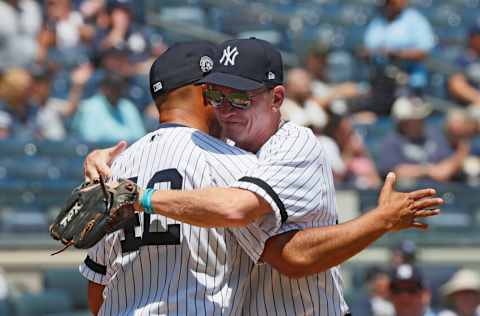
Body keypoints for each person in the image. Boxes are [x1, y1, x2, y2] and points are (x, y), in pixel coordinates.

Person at [85, 38, 442, 315]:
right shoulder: (217, 152)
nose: (225, 109)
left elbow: (290, 255)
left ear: (276, 98)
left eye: (240, 98)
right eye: (218, 96)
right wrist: (102, 167)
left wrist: (136, 196)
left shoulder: (294, 144)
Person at [357, 0, 435, 115]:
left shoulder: (414, 19)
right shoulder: (377, 21)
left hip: (408, 81)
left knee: (402, 110)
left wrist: (397, 54)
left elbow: (424, 52)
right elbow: (366, 48)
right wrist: (370, 53)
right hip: (379, 81)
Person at [378, 97, 468, 182]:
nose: (421, 122)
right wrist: (427, 170)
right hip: (410, 192)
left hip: (441, 189)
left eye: (421, 118)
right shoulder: (392, 141)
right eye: (415, 120)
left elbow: (447, 164)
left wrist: (459, 155)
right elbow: (393, 173)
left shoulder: (434, 134)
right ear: (403, 122)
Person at [71, 71, 145, 142]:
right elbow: (90, 138)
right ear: (103, 88)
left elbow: (139, 136)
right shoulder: (90, 107)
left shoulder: (128, 107)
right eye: (113, 87)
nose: (116, 91)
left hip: (128, 151)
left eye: (119, 87)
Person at [448, 23, 480, 107]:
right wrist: (477, 98)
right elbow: (456, 85)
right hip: (470, 106)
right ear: (473, 37)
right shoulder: (463, 60)